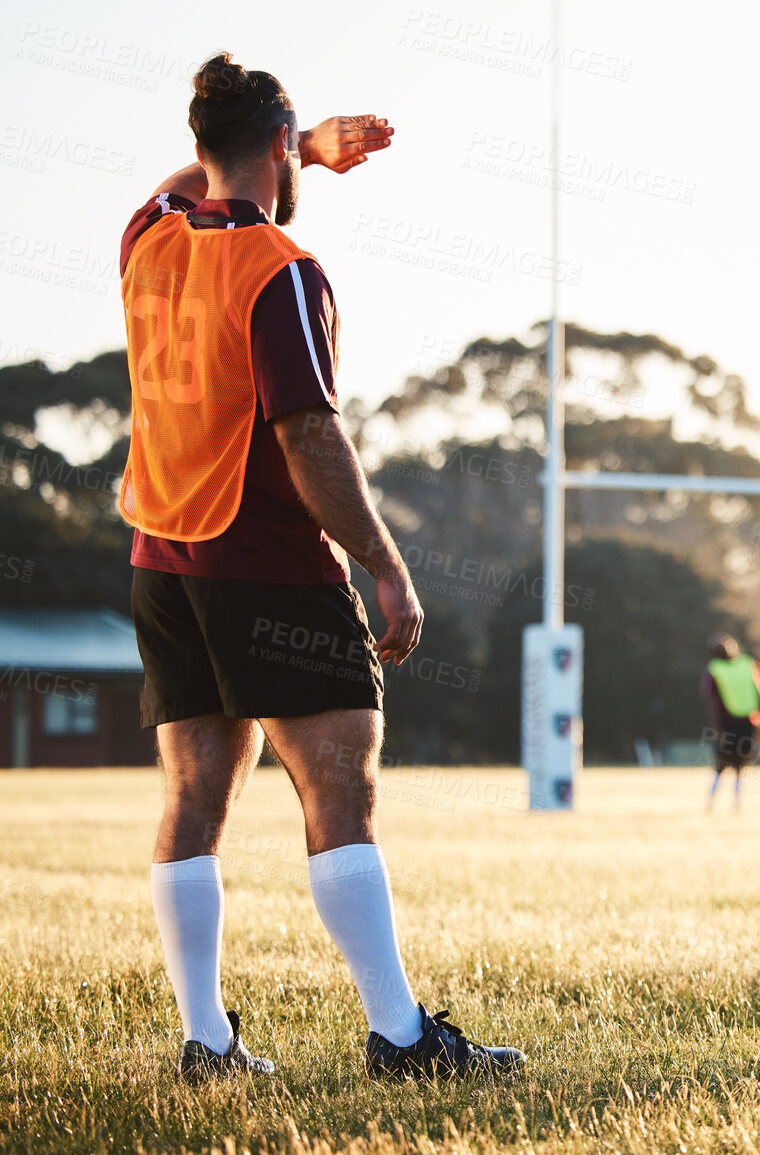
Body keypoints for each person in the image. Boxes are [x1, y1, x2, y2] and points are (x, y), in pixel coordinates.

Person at [122, 53, 521, 1080]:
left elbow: (182, 185)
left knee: (195, 797)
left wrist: (294, 141)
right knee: (338, 787)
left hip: (163, 564)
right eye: (290, 147)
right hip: (266, 566)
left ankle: (205, 1043)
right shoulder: (282, 270)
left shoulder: (147, 240)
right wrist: (384, 564)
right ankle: (400, 1038)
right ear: (273, 147)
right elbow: (308, 436)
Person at [699, 633, 760, 811]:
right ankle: (710, 804)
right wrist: (718, 731)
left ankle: (737, 805)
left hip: (749, 722)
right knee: (721, 764)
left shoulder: (749, 664)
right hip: (727, 724)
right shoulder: (714, 669)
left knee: (741, 766)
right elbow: (711, 703)